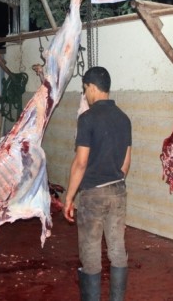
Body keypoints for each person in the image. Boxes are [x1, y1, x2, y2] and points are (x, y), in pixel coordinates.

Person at [64, 66, 132, 301]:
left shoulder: (87, 119)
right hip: (118, 190)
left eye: (85, 89)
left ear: (92, 87)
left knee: (91, 252)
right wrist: (115, 182)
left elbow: (80, 162)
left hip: (93, 194)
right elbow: (126, 161)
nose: (85, 95)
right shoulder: (124, 118)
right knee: (117, 249)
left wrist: (69, 197)